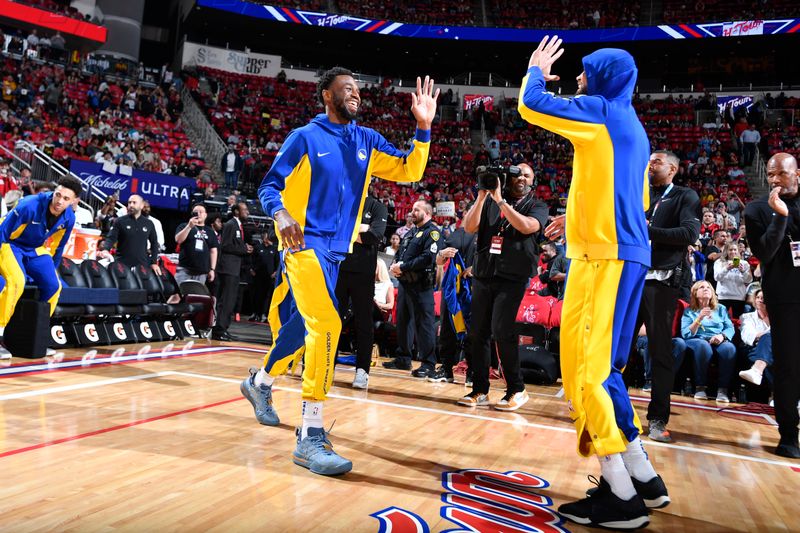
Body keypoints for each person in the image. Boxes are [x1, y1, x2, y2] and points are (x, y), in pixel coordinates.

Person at [240, 67, 438, 476]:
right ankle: (310, 435)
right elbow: (268, 186)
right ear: (327, 96)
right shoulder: (305, 137)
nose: (356, 95)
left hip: (335, 254)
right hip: (301, 245)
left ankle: (259, 383)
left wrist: (423, 128)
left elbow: (410, 171)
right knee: (328, 325)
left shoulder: (366, 140)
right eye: (347, 88)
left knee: (302, 329)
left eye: (358, 90)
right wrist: (280, 216)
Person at [521, 36, 667, 528]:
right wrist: (577, 216)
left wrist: (536, 70)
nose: (579, 78)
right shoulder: (634, 126)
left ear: (604, 78)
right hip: (614, 253)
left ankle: (621, 498)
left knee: (587, 375)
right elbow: (633, 198)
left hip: (606, 259)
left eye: (586, 71)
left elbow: (531, 105)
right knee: (602, 371)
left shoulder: (601, 110)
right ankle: (643, 475)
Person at [458, 162, 549, 410]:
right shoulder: (489, 200)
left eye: (526, 175)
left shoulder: (537, 205)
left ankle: (516, 389)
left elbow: (527, 226)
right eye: (516, 174)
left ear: (532, 181)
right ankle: (479, 389)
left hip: (513, 275)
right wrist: (481, 195)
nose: (521, 178)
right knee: (477, 333)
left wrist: (500, 201)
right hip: (485, 272)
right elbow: (469, 227)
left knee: (501, 330)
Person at [633, 150, 700, 443]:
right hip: (630, 278)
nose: (650, 165)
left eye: (656, 162)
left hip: (662, 283)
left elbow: (689, 234)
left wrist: (649, 231)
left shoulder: (686, 196)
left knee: (660, 352)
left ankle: (658, 419)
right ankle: (609, 410)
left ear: (672, 168)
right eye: (648, 161)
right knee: (616, 349)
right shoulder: (640, 194)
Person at [744, 152, 800, 458]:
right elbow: (764, 252)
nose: (775, 180)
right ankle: (789, 435)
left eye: (782, 174)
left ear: (797, 173)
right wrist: (780, 217)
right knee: (789, 366)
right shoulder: (757, 209)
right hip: (784, 296)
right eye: (770, 174)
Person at [0, 176, 81, 358]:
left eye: (66, 199)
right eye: (58, 195)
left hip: (34, 249)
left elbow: (58, 248)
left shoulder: (69, 218)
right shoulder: (30, 204)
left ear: (74, 201)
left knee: (54, 286)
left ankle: (37, 335)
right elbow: (3, 231)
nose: (60, 201)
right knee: (16, 281)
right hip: (9, 243)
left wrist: (50, 271)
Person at [335, 194, 387, 389]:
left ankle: (362, 371)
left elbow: (375, 235)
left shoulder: (377, 206)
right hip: (338, 270)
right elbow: (331, 229)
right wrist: (361, 230)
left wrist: (346, 232)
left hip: (364, 275)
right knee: (333, 320)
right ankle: (327, 365)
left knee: (363, 323)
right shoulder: (342, 199)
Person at [383, 199, 440, 376]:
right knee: (403, 323)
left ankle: (428, 364)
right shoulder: (410, 233)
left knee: (424, 325)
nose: (412, 212)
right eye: (412, 209)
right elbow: (400, 253)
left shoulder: (432, 233)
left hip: (421, 286)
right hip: (405, 285)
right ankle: (403, 359)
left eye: (417, 210)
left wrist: (404, 267)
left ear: (428, 213)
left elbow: (427, 258)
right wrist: (394, 266)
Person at [427, 224, 476, 383]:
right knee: (447, 330)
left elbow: (497, 258)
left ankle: (474, 372)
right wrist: (442, 253)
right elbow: (439, 259)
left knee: (474, 332)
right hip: (454, 287)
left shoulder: (492, 232)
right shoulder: (458, 233)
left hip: (477, 288)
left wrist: (477, 267)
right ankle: (446, 370)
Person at [681, 280, 736, 403]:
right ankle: (700, 387)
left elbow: (730, 327)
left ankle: (723, 390)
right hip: (696, 340)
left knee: (729, 348)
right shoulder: (689, 311)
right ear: (695, 293)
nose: (706, 289)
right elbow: (686, 333)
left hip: (717, 339)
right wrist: (699, 317)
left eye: (708, 287)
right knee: (703, 346)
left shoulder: (721, 309)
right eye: (702, 287)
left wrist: (722, 336)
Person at [212, 202, 251, 341]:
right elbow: (225, 245)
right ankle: (219, 330)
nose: (247, 212)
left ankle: (223, 329)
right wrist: (244, 249)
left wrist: (244, 247)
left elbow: (233, 245)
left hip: (233, 268)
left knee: (230, 301)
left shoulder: (238, 225)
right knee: (226, 300)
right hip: (227, 268)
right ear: (236, 212)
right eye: (244, 209)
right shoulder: (230, 225)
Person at [98, 195, 160, 273]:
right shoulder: (120, 221)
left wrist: (154, 263)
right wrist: (106, 249)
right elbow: (111, 238)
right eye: (129, 203)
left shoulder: (149, 223)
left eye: (134, 203)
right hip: (121, 265)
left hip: (142, 266)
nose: (131, 205)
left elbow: (154, 244)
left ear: (141, 205)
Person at [174, 203, 218, 285]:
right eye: (196, 212)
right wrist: (189, 226)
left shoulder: (210, 231)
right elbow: (178, 240)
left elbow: (213, 251)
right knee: (178, 295)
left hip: (201, 272)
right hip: (185, 269)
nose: (198, 213)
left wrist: (212, 269)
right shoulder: (184, 226)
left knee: (195, 296)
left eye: (201, 212)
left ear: (205, 215)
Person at [738, 289, 772, 387]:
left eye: (763, 298)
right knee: (768, 337)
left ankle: (757, 370)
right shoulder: (746, 317)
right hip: (752, 349)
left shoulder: (777, 318)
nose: (760, 300)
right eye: (758, 297)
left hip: (774, 349)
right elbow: (748, 335)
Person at [713, 241, 753, 318]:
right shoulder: (719, 262)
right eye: (730, 250)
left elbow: (749, 280)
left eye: (735, 249)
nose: (733, 252)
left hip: (739, 297)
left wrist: (743, 271)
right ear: (726, 251)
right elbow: (717, 278)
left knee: (738, 321)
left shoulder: (744, 263)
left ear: (738, 251)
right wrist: (726, 268)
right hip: (723, 297)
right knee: (721, 320)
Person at [249, 232, 278, 323]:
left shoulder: (274, 249)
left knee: (267, 296)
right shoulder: (258, 248)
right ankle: (255, 313)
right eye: (267, 237)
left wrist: (275, 272)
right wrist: (251, 269)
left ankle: (264, 314)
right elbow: (252, 259)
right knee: (256, 295)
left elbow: (277, 261)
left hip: (269, 276)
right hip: (258, 275)